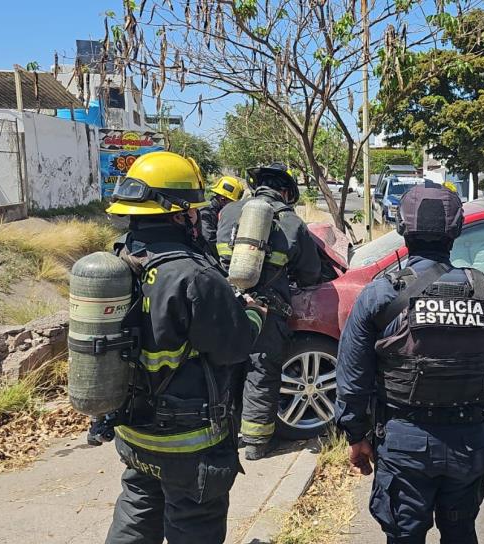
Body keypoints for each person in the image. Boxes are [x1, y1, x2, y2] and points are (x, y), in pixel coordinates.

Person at [335, 183, 484, 544]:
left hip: (403, 444)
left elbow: (352, 378)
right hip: (467, 443)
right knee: (460, 534)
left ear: (402, 230)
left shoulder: (381, 294)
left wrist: (356, 436)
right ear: (456, 232)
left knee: (404, 536)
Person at [102, 151, 267, 544]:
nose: (198, 216)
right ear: (180, 214)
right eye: (193, 209)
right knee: (193, 526)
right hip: (188, 444)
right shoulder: (193, 276)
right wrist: (256, 313)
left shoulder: (120, 262)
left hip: (134, 432)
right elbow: (233, 346)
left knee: (136, 513)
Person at [211, 163, 322, 460]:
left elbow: (215, 255)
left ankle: (224, 437)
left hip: (226, 305)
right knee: (261, 371)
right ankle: (257, 444)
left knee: (226, 368)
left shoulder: (230, 212)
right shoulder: (290, 220)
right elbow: (310, 272)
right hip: (267, 309)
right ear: (285, 192)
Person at [200, 175, 245, 246]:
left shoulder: (220, 212)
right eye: (232, 202)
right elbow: (209, 239)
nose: (233, 206)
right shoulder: (205, 213)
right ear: (223, 199)